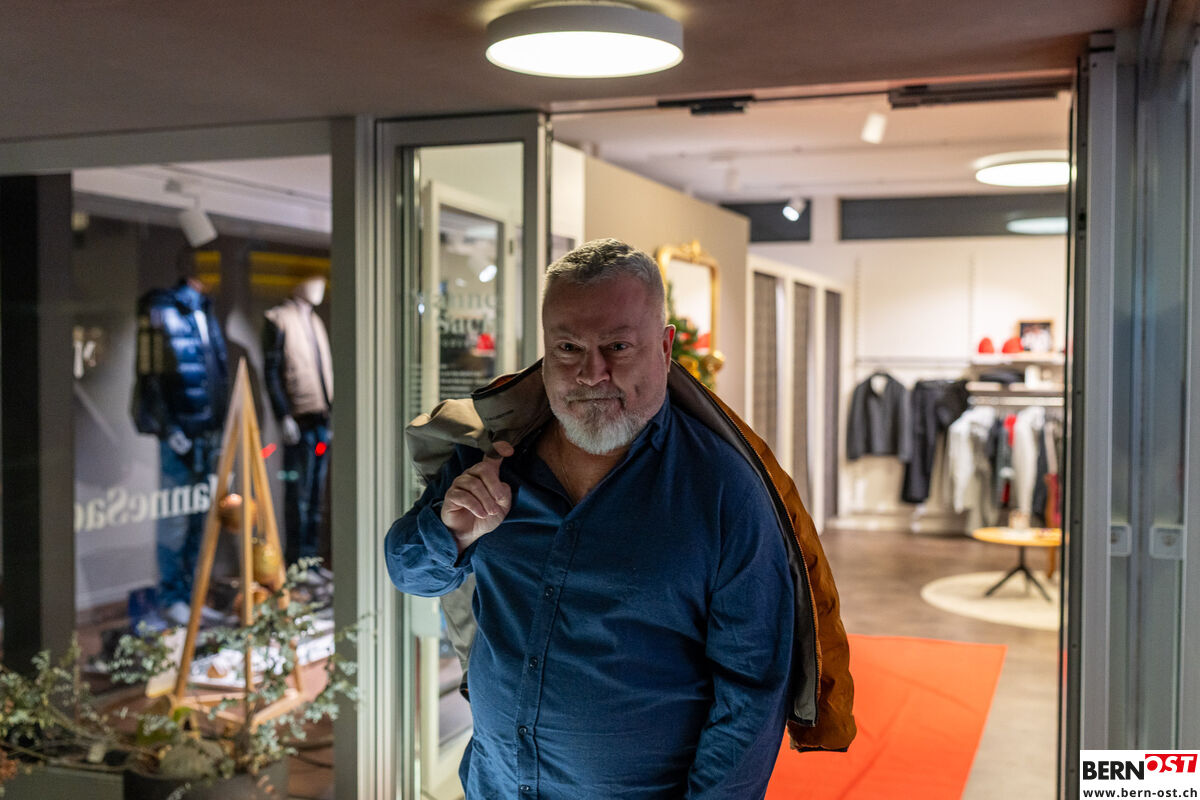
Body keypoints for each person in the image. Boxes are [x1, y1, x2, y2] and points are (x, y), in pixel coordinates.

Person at [385, 239, 855, 799]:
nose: (591, 373)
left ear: (665, 347)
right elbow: (408, 572)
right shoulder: (492, 456)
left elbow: (751, 697)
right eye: (568, 347)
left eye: (617, 346)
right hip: (495, 784)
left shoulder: (725, 492)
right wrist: (451, 533)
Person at [132, 274, 229, 626]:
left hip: (207, 433)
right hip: (180, 435)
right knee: (175, 518)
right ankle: (172, 597)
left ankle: (192, 597)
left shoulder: (206, 312)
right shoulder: (162, 309)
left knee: (200, 520)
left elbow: (216, 374)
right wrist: (169, 427)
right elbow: (151, 374)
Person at [263, 276, 334, 576]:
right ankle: (296, 564)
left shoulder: (315, 321)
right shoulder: (278, 319)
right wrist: (283, 415)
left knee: (316, 495)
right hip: (299, 420)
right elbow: (272, 371)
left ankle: (311, 561)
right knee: (298, 496)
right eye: (313, 281)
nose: (319, 288)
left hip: (321, 420)